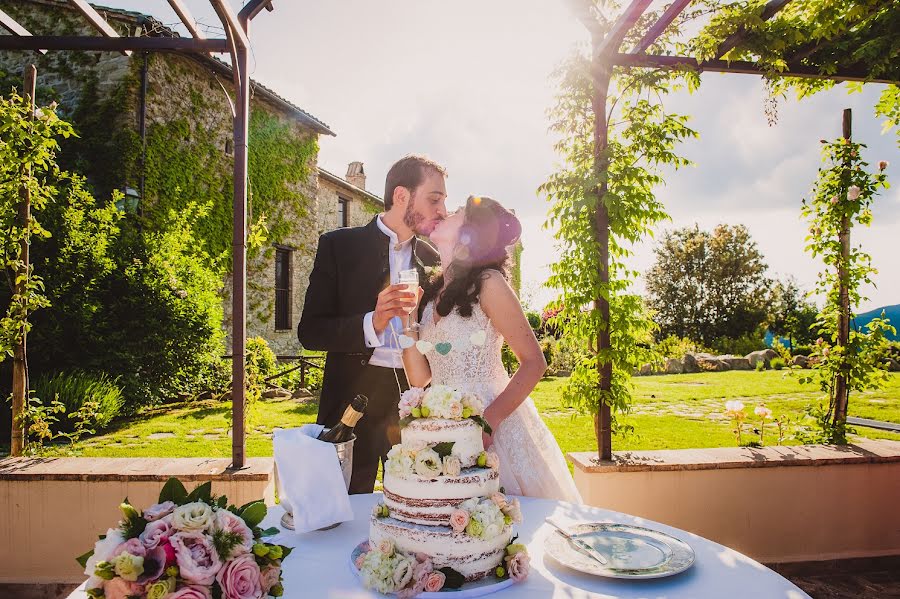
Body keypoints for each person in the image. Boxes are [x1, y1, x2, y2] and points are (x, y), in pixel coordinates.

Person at [401, 195, 581, 502]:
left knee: (502, 527)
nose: (446, 212)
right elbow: (419, 379)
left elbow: (534, 362)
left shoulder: (488, 282)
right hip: (443, 424)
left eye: (457, 211)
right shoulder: (430, 296)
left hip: (494, 425)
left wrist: (487, 423)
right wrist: (406, 318)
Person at [298, 155, 447, 494]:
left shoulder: (434, 259)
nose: (441, 210)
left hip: (414, 402)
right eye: (434, 199)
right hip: (354, 398)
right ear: (401, 196)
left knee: (418, 502)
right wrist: (372, 323)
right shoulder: (338, 246)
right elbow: (310, 331)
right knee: (347, 504)